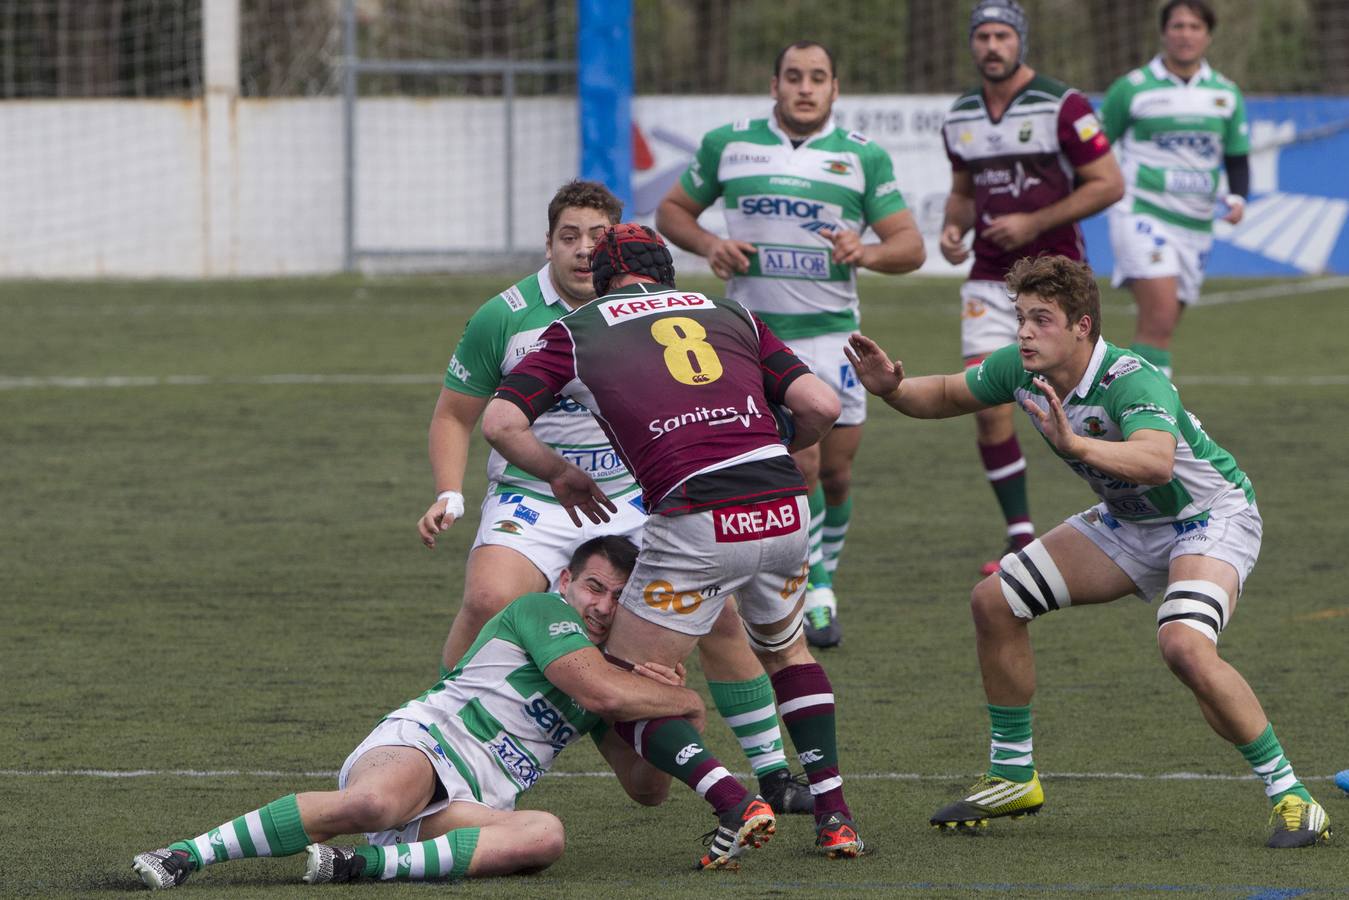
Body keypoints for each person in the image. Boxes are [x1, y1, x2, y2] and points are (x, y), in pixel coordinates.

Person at [845, 255, 1330, 849]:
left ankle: (1292, 796)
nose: (1024, 331)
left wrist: (1075, 442)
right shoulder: (1020, 369)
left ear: (1082, 326)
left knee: (1183, 645)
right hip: (1129, 521)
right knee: (994, 601)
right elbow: (945, 393)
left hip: (1208, 519)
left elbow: (1154, 461)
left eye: (1041, 319)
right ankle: (1013, 775)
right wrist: (891, 388)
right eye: (1020, 317)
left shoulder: (1132, 378)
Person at [417, 179, 812, 815]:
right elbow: (457, 415)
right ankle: (442, 746)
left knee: (722, 615)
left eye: (595, 238)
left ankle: (773, 773)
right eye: (567, 237)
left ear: (617, 252)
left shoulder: (658, 310)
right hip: (534, 496)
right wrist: (448, 492)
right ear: (547, 243)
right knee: (490, 596)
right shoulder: (506, 314)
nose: (580, 250)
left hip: (635, 495)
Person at [482, 223, 864, 868]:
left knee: (617, 687)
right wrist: (772, 445)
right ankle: (836, 819)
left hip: (696, 517)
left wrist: (559, 473)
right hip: (783, 509)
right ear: (668, 273)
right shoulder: (730, 310)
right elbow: (822, 404)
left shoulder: (577, 329)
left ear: (600, 283)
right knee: (788, 652)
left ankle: (733, 801)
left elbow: (499, 421)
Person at [132, 537, 707, 890]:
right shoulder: (541, 612)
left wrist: (678, 723)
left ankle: (357, 867)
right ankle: (186, 855)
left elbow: (647, 790)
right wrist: (683, 699)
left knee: (545, 836)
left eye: (617, 597)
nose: (602, 607)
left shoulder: (617, 680)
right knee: (373, 803)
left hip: (470, 804)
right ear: (566, 583)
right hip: (427, 744)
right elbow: (600, 692)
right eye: (593, 587)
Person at [656, 39, 925, 648]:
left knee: (836, 475)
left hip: (837, 340)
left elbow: (911, 246)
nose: (806, 88)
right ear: (774, 84)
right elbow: (673, 210)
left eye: (818, 78)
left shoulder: (862, 157)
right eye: (794, 77)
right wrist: (708, 245)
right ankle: (816, 587)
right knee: (798, 464)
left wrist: (869, 252)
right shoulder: (729, 144)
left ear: (836, 89)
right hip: (756, 340)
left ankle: (823, 569)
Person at [940, 0, 1124, 575]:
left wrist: (1035, 223)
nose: (991, 46)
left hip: (1059, 279)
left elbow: (1108, 183)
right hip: (989, 279)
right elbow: (964, 191)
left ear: (1019, 41)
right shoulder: (961, 114)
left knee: (1091, 407)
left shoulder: (1063, 106)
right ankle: (1019, 533)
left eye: (1002, 35)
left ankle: (1130, 511)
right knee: (987, 403)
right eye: (982, 36)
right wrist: (953, 227)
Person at [1103, 0, 1249, 379]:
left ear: (1208, 36)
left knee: (1160, 329)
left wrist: (1237, 197)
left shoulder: (1226, 95)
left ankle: (1118, 404)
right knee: (1161, 316)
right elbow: (1095, 148)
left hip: (1196, 223)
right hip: (1142, 211)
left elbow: (1236, 157)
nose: (1186, 34)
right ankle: (1152, 419)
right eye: (1178, 26)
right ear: (1164, 32)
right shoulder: (1132, 89)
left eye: (1195, 27)